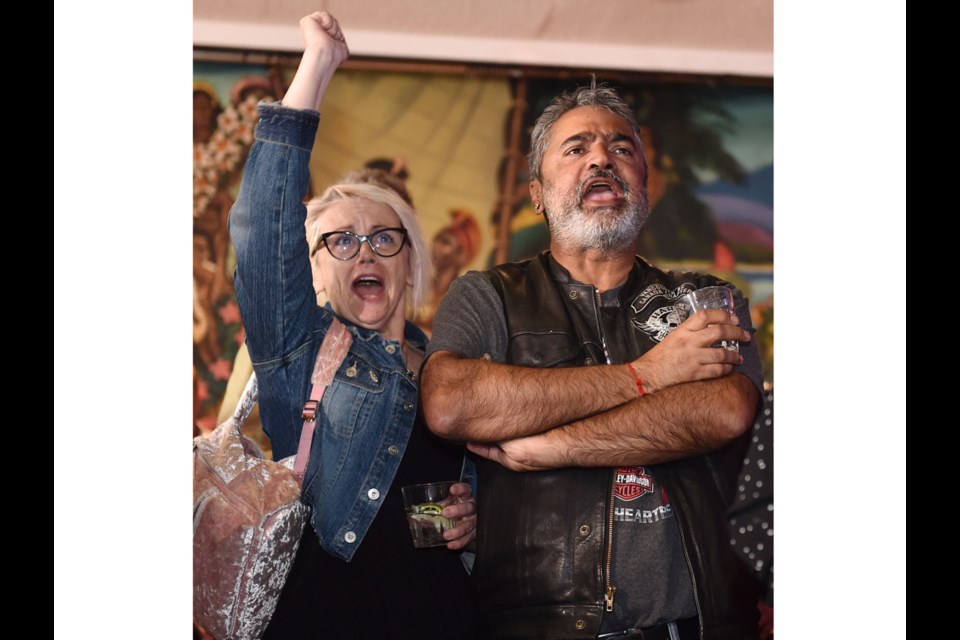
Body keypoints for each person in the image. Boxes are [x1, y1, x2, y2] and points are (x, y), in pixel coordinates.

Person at [421, 81, 763, 639]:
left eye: (621, 148)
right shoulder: (488, 296)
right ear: (537, 190)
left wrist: (548, 447)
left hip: (699, 625)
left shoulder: (703, 297)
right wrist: (650, 375)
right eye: (576, 148)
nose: (602, 158)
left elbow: (723, 410)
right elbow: (450, 402)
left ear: (645, 184)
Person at [227, 12, 478, 639]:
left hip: (444, 617)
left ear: (412, 261)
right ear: (310, 275)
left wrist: (478, 517)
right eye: (339, 241)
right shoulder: (299, 351)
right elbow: (263, 227)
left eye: (382, 238)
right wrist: (317, 64)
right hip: (324, 617)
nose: (363, 252)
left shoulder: (460, 370)